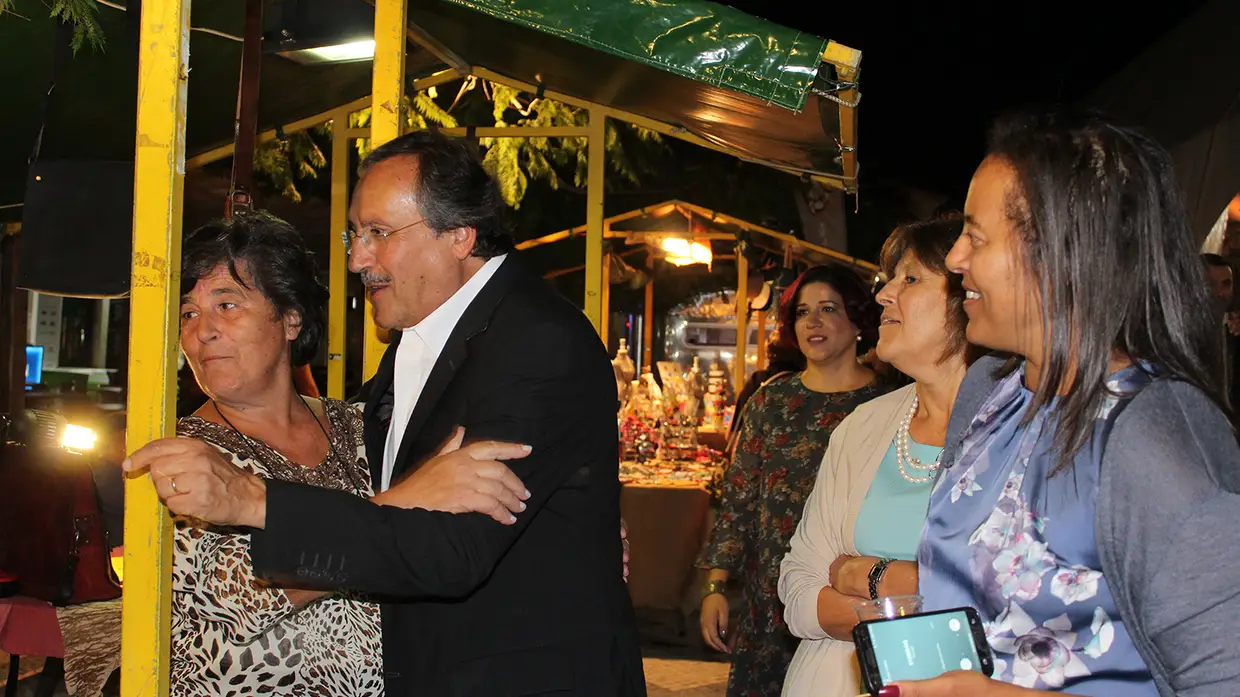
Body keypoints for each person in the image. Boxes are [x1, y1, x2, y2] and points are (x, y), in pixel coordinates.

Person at [127, 132, 645, 696]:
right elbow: (221, 607)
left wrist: (255, 500)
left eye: (378, 233)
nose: (356, 258)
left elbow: (455, 546)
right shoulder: (409, 352)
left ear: (459, 236)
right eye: (355, 233)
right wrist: (421, 492)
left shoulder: (532, 342)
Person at [891, 111, 1240, 697]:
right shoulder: (989, 391)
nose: (954, 259)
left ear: (1062, 251)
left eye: (975, 236)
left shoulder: (1151, 435)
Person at [163, 212, 529, 696]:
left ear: (290, 318)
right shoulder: (183, 453)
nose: (203, 331)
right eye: (188, 313)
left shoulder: (362, 426)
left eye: (226, 304)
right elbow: (239, 596)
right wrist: (411, 498)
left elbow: (450, 521)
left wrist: (551, 534)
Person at [778, 216, 973, 697]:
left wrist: (862, 574)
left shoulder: (1014, 430)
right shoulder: (864, 426)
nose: (884, 294)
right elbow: (797, 587)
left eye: (909, 279)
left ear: (970, 296)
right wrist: (909, 595)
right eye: (889, 280)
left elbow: (991, 602)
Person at [697, 265, 891, 697]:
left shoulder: (889, 404)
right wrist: (715, 586)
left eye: (828, 309)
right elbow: (740, 500)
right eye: (804, 312)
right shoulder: (772, 400)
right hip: (769, 604)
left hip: (847, 600)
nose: (813, 322)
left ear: (858, 320)